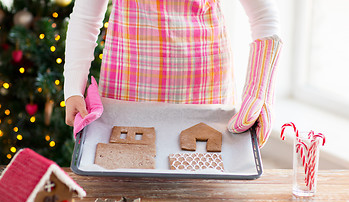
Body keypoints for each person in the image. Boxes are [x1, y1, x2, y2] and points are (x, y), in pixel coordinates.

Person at [64, 0, 282, 148]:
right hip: (128, 89)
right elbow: (86, 18)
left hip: (205, 90)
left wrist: (259, 91)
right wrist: (73, 88)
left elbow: (264, 17)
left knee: (203, 187)